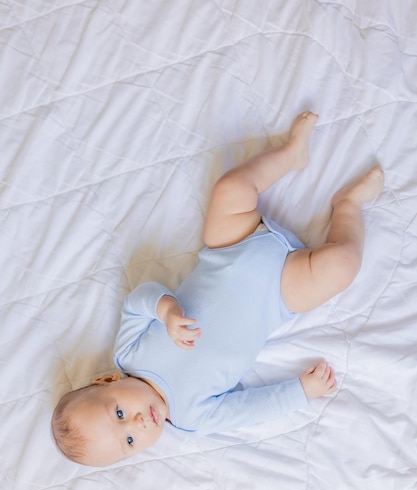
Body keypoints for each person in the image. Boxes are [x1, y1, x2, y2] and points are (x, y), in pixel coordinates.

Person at [52, 111, 384, 467]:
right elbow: (250, 409)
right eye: (130, 440)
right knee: (342, 267)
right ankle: (347, 206)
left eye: (118, 413)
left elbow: (136, 304)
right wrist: (301, 392)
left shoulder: (129, 354)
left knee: (230, 189)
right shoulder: (194, 418)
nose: (136, 423)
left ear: (106, 380)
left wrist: (166, 310)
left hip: (231, 248)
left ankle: (291, 155)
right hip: (280, 292)